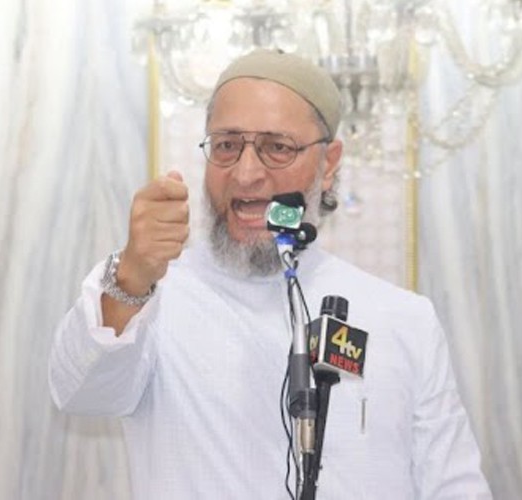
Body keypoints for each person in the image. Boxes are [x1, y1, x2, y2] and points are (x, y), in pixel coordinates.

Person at [49, 49, 492, 499]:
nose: (246, 174)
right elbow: (81, 391)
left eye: (278, 148)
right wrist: (131, 278)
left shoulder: (403, 318)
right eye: (227, 145)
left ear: (329, 163)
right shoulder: (153, 297)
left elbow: (455, 487)